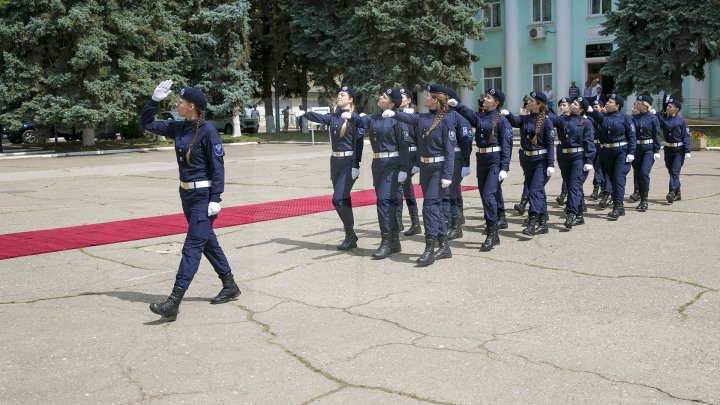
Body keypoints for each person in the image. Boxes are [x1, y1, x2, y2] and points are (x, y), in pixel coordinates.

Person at [140, 80, 240, 321]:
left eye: (181, 102)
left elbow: (218, 168)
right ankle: (230, 285)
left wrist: (216, 198)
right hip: (186, 194)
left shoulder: (208, 131)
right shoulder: (179, 128)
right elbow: (147, 123)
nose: (177, 104)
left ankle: (174, 301)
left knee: (193, 245)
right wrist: (153, 100)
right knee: (206, 242)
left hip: (204, 197)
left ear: (192, 106)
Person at [384, 84, 456, 266]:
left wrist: (448, 174)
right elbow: (409, 119)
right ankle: (444, 246)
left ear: (435, 99)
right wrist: (393, 113)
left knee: (430, 207)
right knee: (435, 208)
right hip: (426, 170)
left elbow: (450, 151)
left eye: (427, 95)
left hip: (439, 170)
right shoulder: (422, 118)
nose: (424, 98)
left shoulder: (446, 120)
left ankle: (429, 249)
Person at [296, 86, 365, 250]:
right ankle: (350, 236)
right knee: (344, 199)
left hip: (349, 162)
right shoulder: (334, 117)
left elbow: (359, 143)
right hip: (335, 163)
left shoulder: (356, 118)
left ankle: (350, 234)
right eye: (338, 94)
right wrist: (305, 113)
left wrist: (356, 164)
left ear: (351, 99)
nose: (339, 96)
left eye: (343, 95)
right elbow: (320, 117)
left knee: (338, 199)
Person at [450, 88, 513, 250]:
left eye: (488, 97)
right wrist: (458, 106)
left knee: (488, 196)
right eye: (485, 96)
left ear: (497, 102)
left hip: (495, 161)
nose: (484, 98)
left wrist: (504, 167)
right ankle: (493, 230)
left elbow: (507, 146)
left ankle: (492, 233)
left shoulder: (502, 121)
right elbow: (470, 116)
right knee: (484, 195)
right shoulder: (482, 116)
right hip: (482, 160)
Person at [349, 88, 408, 259]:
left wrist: (404, 169)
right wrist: (348, 114)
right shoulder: (375, 117)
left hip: (393, 164)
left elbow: (404, 146)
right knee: (387, 202)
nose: (380, 97)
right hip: (378, 164)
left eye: (384, 97)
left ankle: (386, 242)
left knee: (383, 202)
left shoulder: (398, 119)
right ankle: (395, 241)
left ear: (391, 103)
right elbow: (359, 120)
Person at [505, 91, 555, 235]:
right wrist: (507, 114)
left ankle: (532, 222)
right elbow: (515, 121)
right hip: (527, 160)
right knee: (538, 191)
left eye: (532, 100)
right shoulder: (526, 118)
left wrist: (551, 164)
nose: (528, 102)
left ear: (539, 104)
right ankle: (543, 222)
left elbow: (550, 144)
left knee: (534, 191)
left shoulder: (546, 121)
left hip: (541, 161)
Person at [588, 94, 636, 220]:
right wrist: (588, 109)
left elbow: (631, 136)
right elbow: (595, 115)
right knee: (609, 178)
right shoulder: (603, 117)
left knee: (618, 178)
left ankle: (617, 206)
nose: (607, 104)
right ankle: (620, 207)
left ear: (617, 105)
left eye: (610, 102)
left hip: (621, 151)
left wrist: (631, 152)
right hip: (607, 152)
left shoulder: (625, 118)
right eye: (607, 102)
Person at [556, 97, 596, 228]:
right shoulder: (562, 119)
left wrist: (589, 159)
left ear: (581, 109)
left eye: (575, 104)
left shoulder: (586, 122)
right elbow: (549, 119)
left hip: (578, 157)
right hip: (564, 157)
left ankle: (570, 213)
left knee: (574, 185)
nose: (571, 105)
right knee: (572, 185)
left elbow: (589, 141)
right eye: (572, 103)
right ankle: (579, 216)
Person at [444, 88, 473, 241]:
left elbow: (466, 141)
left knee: (451, 191)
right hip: (444, 158)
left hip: (456, 157)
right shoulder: (440, 115)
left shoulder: (460, 118)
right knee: (451, 190)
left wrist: (466, 163)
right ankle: (453, 218)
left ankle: (455, 225)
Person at [396, 88, 422, 236]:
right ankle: (413, 223)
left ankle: (402, 223)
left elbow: (420, 141)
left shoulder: (415, 118)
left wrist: (418, 162)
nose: (400, 99)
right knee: (404, 187)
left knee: (401, 186)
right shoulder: (394, 115)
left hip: (411, 155)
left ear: (409, 100)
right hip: (400, 155)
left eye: (403, 97)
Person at [630, 95, 661, 211]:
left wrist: (657, 150)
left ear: (645, 105)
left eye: (639, 102)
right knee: (637, 173)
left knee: (644, 173)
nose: (636, 104)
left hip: (649, 149)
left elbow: (656, 134)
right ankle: (638, 194)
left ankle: (644, 200)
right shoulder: (633, 117)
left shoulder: (653, 118)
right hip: (636, 149)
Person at [659, 97, 691, 203]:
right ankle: (678, 193)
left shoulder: (681, 122)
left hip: (679, 150)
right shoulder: (664, 119)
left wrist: (687, 150)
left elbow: (686, 136)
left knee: (674, 171)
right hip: (668, 149)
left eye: (670, 106)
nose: (667, 108)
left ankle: (672, 192)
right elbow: (655, 123)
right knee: (671, 171)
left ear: (676, 109)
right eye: (667, 106)